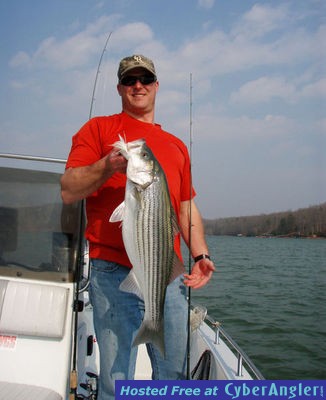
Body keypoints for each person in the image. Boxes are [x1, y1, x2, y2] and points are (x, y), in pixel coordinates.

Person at [61, 55, 215, 400]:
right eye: (130, 80)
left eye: (146, 79)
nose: (138, 86)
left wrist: (200, 252)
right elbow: (69, 189)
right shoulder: (98, 130)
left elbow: (186, 206)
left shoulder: (176, 146)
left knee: (173, 374)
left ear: (156, 86)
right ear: (119, 88)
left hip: (167, 275)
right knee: (116, 380)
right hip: (112, 274)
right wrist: (105, 167)